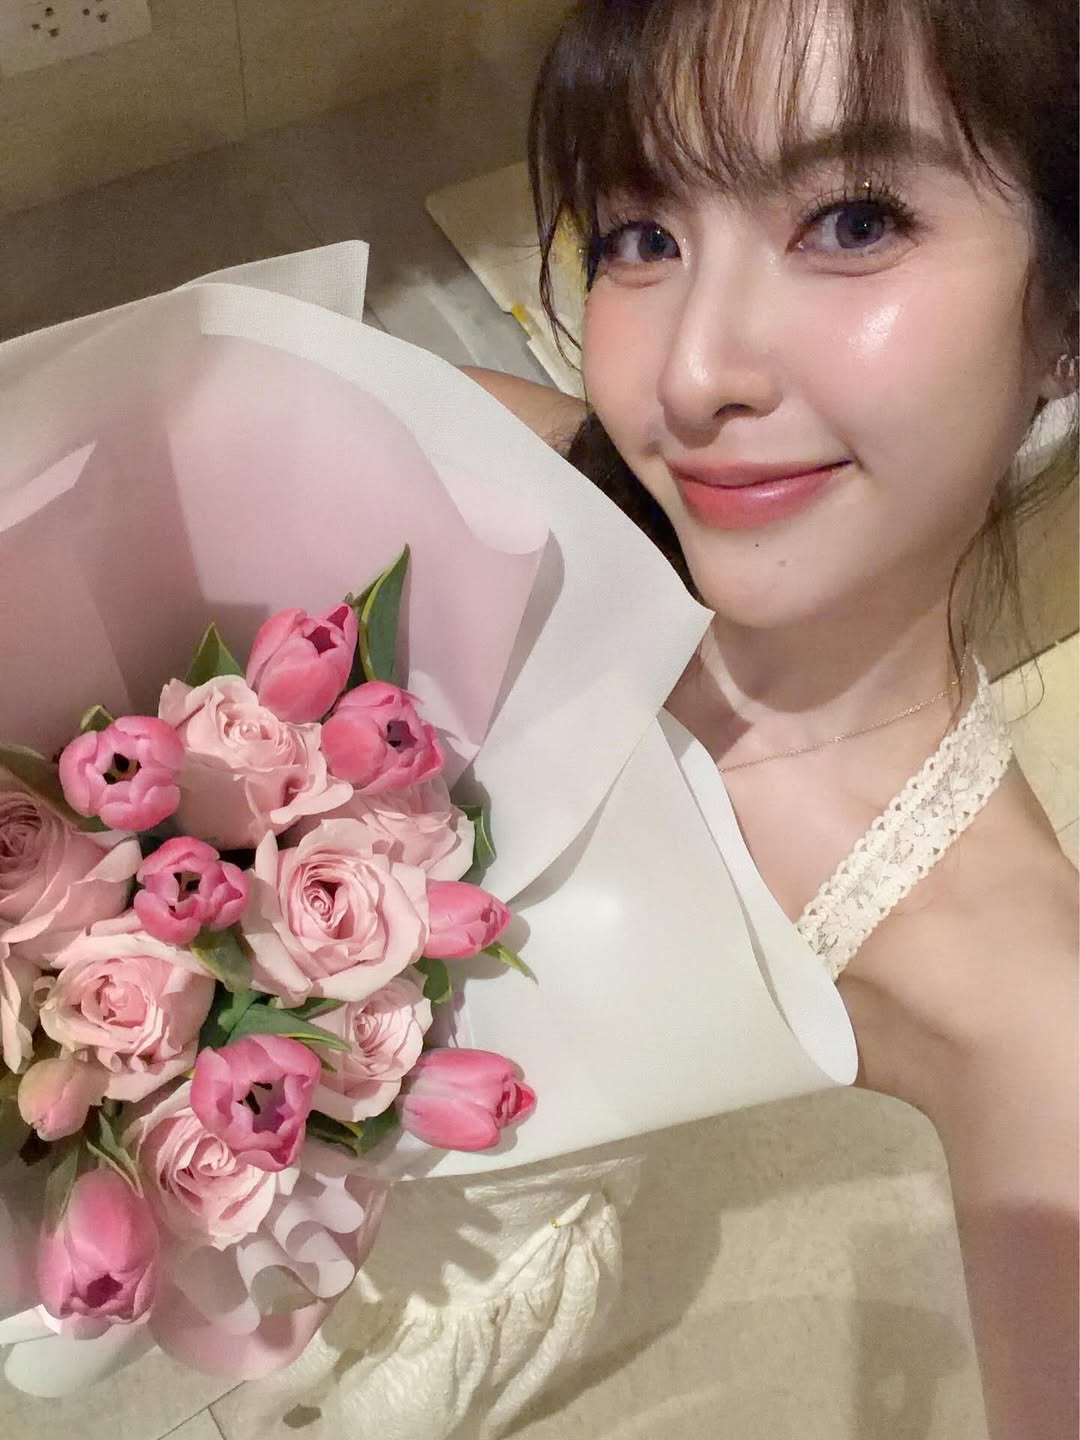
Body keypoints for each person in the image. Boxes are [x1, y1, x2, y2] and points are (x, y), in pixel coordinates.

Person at [229, 3, 1077, 1438]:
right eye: (641, 236)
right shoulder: (514, 493)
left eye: (854, 221)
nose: (688, 376)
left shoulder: (1020, 1015)